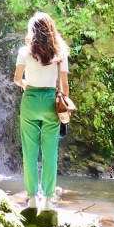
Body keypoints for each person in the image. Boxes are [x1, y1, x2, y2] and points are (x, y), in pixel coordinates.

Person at [13, 12, 69, 211]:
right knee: (49, 153)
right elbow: (64, 84)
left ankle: (32, 198)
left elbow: (17, 79)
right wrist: (64, 106)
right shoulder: (60, 53)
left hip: (30, 100)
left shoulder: (24, 52)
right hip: (50, 102)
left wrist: (26, 84)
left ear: (33, 31)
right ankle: (46, 200)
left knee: (29, 151)